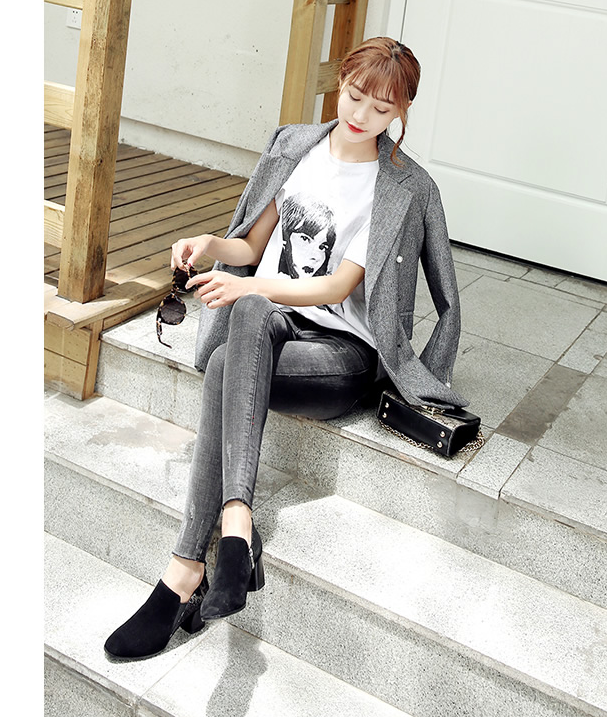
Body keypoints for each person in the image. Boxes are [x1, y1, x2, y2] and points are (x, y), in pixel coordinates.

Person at [104, 38, 463, 663]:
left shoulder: (403, 187)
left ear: (402, 110)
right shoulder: (296, 147)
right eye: (355, 96)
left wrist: (252, 287)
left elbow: (337, 287)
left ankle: (188, 565)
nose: (362, 116)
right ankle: (229, 532)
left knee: (239, 332)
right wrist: (208, 243)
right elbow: (251, 247)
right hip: (269, 326)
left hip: (340, 354)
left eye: (382, 109)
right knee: (239, 333)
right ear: (340, 82)